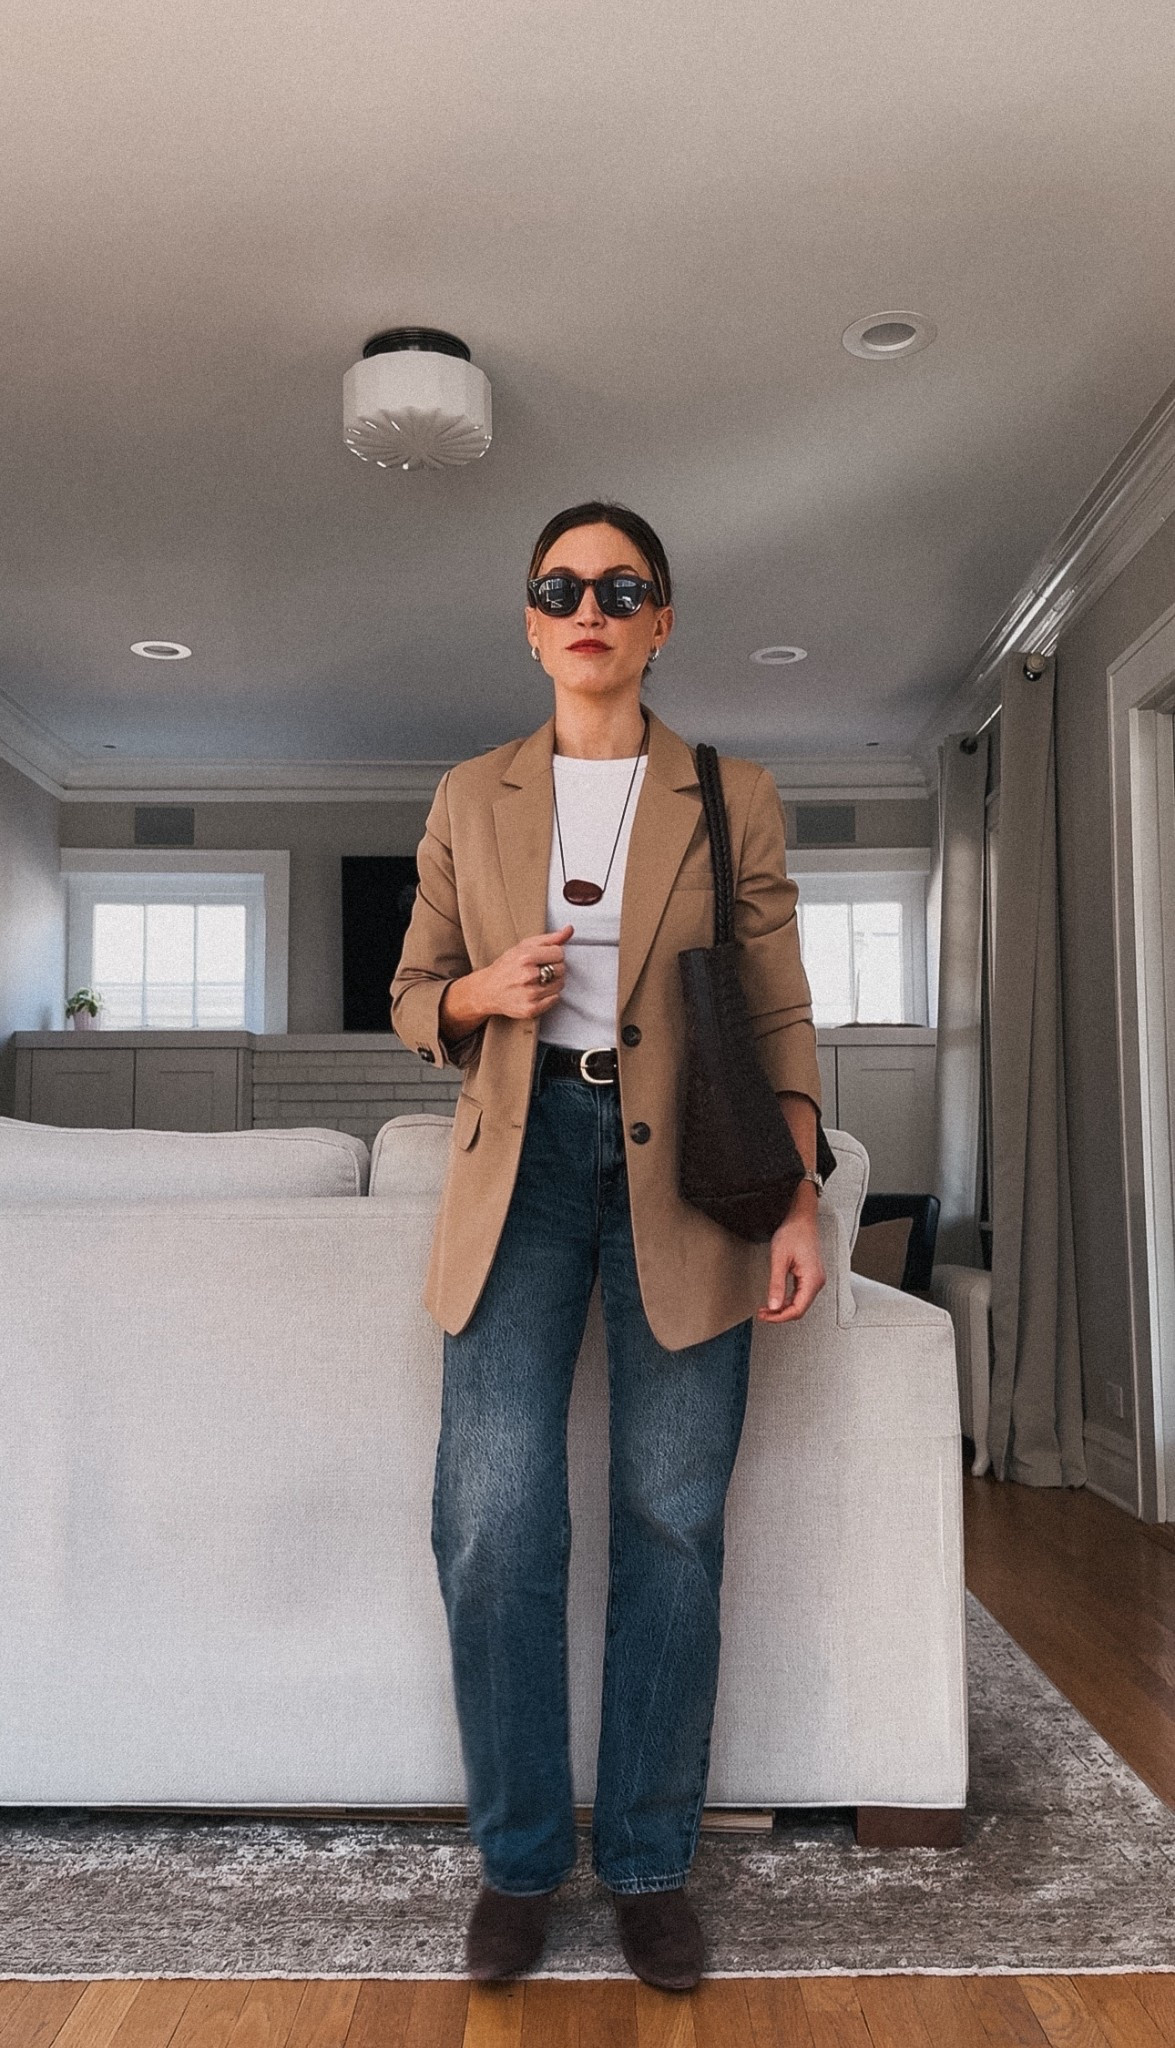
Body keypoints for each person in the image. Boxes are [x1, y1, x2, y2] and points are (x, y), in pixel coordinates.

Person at [390, 500, 827, 1991]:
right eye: (561, 586)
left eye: (620, 586)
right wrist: (476, 997)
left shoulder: (730, 792)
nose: (590, 605)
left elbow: (775, 1005)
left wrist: (801, 1192)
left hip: (691, 1178)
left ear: (659, 622)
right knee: (495, 1523)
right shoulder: (468, 793)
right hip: (517, 1168)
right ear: (530, 621)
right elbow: (409, 993)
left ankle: (645, 1861)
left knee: (671, 1521)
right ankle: (521, 1862)